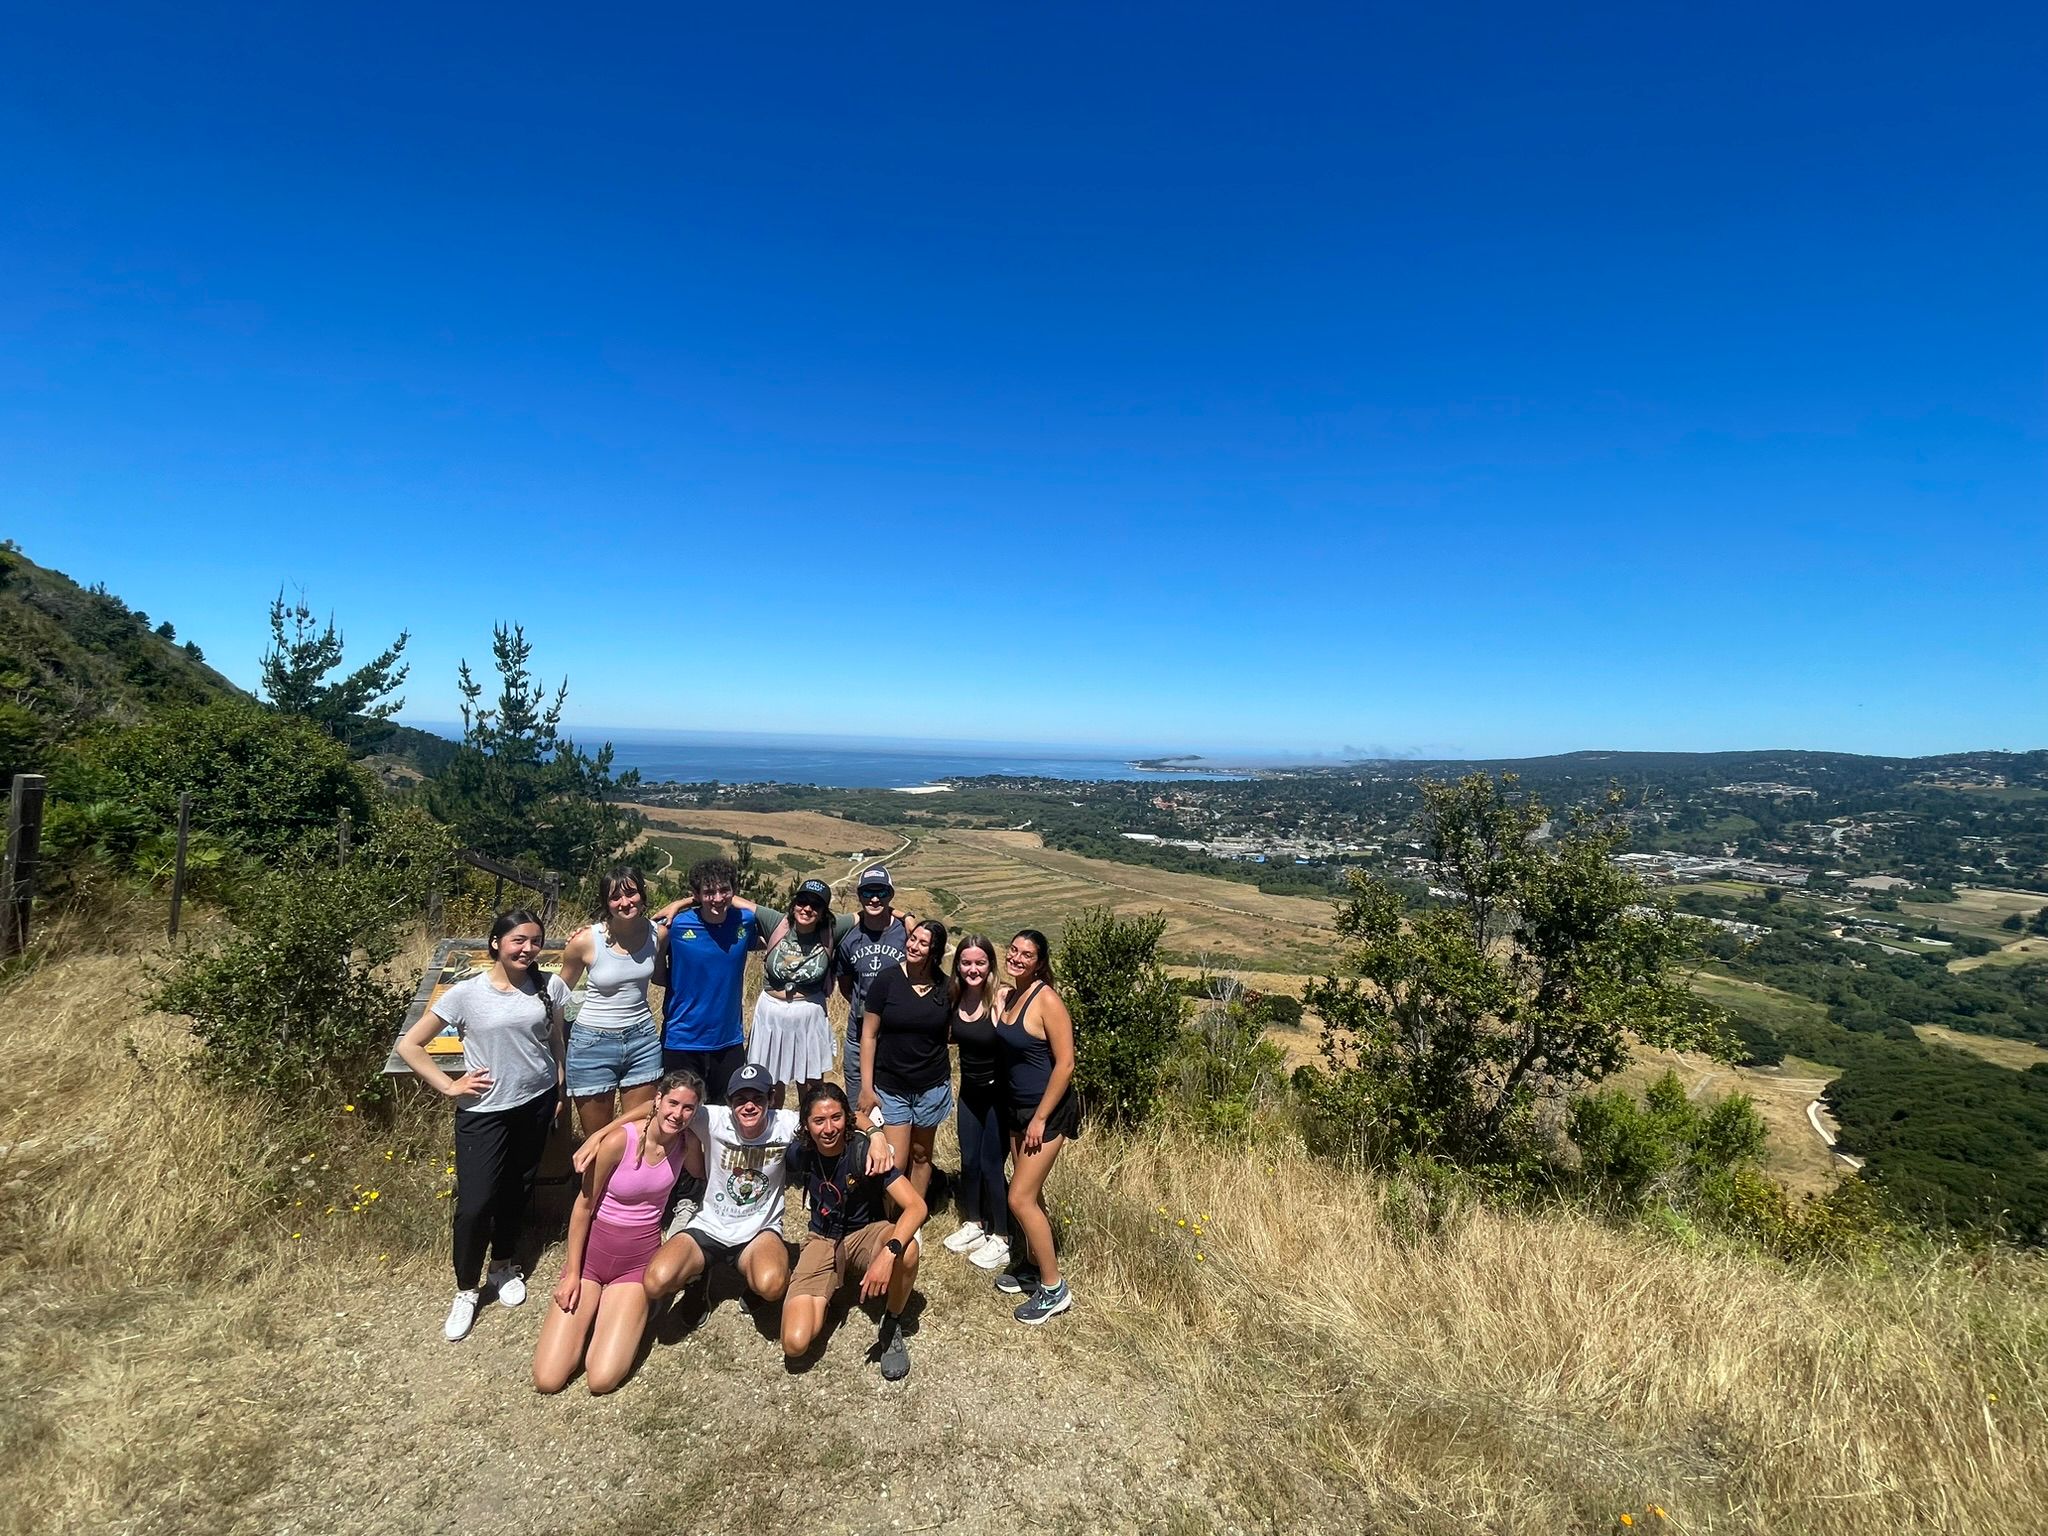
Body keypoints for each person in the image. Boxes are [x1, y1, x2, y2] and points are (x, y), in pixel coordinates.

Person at [572, 1063, 895, 1325]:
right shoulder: (710, 1118)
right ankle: (699, 1279)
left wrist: (876, 1135)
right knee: (656, 1282)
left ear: (771, 1098)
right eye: (740, 1098)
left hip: (759, 1230)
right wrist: (600, 1135)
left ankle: (751, 1281)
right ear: (729, 1102)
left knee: (771, 1285)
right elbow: (652, 1106)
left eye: (757, 1097)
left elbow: (846, 1114)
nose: (749, 1105)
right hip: (710, 1224)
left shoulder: (786, 1123)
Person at [395, 908, 569, 1343]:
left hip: (536, 1101)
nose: (527, 949)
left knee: (517, 1189)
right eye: (518, 940)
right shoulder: (466, 994)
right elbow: (411, 1044)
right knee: (475, 1203)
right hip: (484, 1111)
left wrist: (560, 1087)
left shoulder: (549, 986)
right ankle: (466, 1289)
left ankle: (503, 1265)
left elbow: (555, 1038)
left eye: (535, 941)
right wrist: (449, 1086)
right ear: (496, 943)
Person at [532, 1070, 706, 1394]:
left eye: (688, 1108)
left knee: (602, 1379)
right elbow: (582, 1209)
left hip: (636, 1264)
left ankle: (625, 1307)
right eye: (672, 1103)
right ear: (658, 1100)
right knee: (548, 1379)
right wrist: (572, 1273)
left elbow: (700, 1171)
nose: (678, 1114)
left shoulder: (687, 1144)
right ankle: (597, 1307)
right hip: (592, 1259)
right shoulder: (619, 1141)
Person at [780, 1082, 926, 1380]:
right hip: (822, 1238)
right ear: (806, 1125)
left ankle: (892, 1321)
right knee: (795, 1344)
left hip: (867, 1233)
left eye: (836, 1118)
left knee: (907, 1249)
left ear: (846, 1118)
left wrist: (889, 1253)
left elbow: (916, 1207)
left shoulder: (864, 1152)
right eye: (818, 1121)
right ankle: (829, 1293)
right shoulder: (799, 1153)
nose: (828, 1129)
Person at [993, 928, 1080, 1325]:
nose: (1016, 957)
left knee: (1020, 1198)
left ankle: (1053, 1288)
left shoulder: (1046, 999)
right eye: (1013, 950)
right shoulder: (1013, 995)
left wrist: (1041, 1117)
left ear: (1039, 961)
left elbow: (1066, 1064)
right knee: (1031, 1193)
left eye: (1026, 954)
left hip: (1044, 1113)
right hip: (1016, 1109)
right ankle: (1032, 1263)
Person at [656, 857, 783, 1104]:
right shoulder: (676, 925)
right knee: (680, 1113)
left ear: (734, 892)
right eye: (708, 892)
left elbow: (781, 923)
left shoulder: (744, 921)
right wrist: (681, 904)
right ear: (696, 894)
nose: (717, 898)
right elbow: (655, 971)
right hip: (683, 1038)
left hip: (728, 1041)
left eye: (725, 890)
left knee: (725, 1115)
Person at [555, 866, 667, 1139]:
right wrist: (555, 1046)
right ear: (606, 903)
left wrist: (682, 902)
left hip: (642, 1040)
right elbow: (558, 994)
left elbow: (661, 976)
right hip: (592, 1043)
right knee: (599, 1138)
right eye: (615, 897)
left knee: (641, 1132)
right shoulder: (585, 941)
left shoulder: (659, 935)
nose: (625, 902)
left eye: (631, 893)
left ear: (642, 894)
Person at [858, 919, 953, 1204]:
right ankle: (893, 1216)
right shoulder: (887, 980)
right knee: (895, 1160)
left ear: (934, 952)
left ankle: (916, 1215)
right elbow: (869, 1035)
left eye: (923, 943)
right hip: (892, 1086)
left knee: (921, 1155)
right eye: (913, 939)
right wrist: (867, 1087)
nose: (914, 946)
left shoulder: (947, 987)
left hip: (931, 1086)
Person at [941, 933, 1012, 1271]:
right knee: (969, 1160)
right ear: (958, 965)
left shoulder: (1001, 997)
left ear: (990, 964)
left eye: (980, 963)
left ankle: (1003, 1236)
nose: (973, 969)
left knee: (991, 1164)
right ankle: (975, 1223)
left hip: (999, 1096)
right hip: (970, 1092)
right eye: (966, 963)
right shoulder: (955, 995)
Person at [749, 879, 840, 1102]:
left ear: (823, 912)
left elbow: (867, 913)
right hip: (771, 1016)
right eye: (802, 901)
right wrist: (679, 904)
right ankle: (772, 1125)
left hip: (809, 1016)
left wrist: (906, 917)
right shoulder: (776, 922)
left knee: (811, 1088)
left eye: (815, 905)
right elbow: (729, 899)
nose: (807, 908)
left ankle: (809, 1124)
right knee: (770, 1084)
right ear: (793, 904)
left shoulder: (833, 930)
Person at [835, 866, 914, 1108]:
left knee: (895, 1108)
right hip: (858, 1034)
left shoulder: (906, 934)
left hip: (895, 1035)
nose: (875, 899)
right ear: (860, 896)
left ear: (891, 895)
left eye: (881, 892)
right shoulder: (849, 938)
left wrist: (908, 916)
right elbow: (847, 986)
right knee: (858, 1105)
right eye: (868, 892)